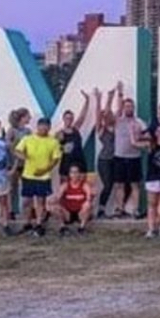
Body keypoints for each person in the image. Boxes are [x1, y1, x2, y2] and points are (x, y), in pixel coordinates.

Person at [14, 118, 62, 237]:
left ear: (49, 128)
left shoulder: (53, 142)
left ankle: (39, 224)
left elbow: (56, 159)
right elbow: (17, 150)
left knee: (40, 201)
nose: (44, 128)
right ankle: (27, 223)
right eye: (42, 126)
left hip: (43, 176)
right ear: (37, 127)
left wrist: (45, 170)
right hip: (28, 175)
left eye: (46, 126)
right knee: (26, 201)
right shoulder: (28, 139)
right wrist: (23, 156)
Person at [111, 84, 147, 219]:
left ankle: (135, 210)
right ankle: (119, 209)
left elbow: (148, 139)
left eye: (130, 106)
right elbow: (115, 111)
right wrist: (119, 93)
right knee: (118, 184)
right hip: (119, 157)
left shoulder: (139, 122)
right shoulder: (117, 121)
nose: (128, 109)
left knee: (135, 185)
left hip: (134, 157)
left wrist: (139, 143)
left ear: (134, 108)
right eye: (126, 106)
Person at [54, 92, 92, 189]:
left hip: (79, 160)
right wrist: (62, 147)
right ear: (63, 119)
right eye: (67, 118)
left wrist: (87, 101)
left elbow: (82, 116)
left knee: (81, 186)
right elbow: (54, 148)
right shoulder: (59, 133)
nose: (69, 120)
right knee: (64, 187)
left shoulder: (75, 128)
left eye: (71, 118)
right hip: (66, 163)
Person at [93, 88, 118, 218]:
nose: (109, 116)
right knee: (107, 185)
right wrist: (102, 99)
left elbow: (115, 113)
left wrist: (113, 96)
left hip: (115, 160)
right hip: (104, 160)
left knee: (115, 184)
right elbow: (100, 114)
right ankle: (101, 209)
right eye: (106, 115)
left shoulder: (115, 127)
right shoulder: (101, 129)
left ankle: (115, 209)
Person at [5, 107, 32, 219]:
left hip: (25, 163)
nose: (29, 118)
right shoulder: (11, 130)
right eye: (28, 116)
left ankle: (25, 210)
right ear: (22, 117)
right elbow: (8, 145)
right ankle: (11, 210)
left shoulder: (28, 131)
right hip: (13, 162)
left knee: (26, 187)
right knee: (12, 187)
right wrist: (16, 153)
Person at [54, 166, 93, 236]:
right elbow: (58, 196)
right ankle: (62, 227)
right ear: (69, 174)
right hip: (68, 212)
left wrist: (88, 201)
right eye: (72, 172)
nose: (74, 175)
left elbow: (89, 196)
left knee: (88, 205)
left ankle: (82, 227)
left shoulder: (84, 185)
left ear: (79, 174)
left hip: (80, 212)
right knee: (55, 207)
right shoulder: (65, 185)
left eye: (76, 172)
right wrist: (54, 200)